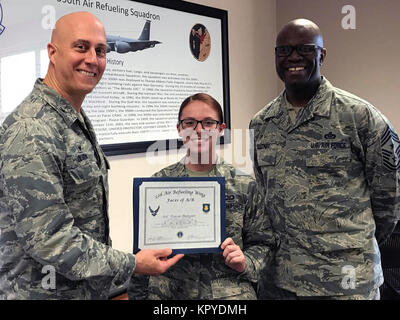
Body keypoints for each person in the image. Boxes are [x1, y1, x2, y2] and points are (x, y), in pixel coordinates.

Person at [0, 11, 182, 300]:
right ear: (52, 52)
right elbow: (50, 240)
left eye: (101, 50)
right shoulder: (32, 129)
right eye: (81, 47)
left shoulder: (72, 118)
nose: (93, 60)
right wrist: (133, 263)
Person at [249, 18, 399, 299]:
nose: (293, 57)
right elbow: (263, 192)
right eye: (283, 50)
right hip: (280, 280)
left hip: (345, 280)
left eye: (304, 48)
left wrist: (354, 242)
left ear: (322, 54)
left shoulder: (359, 117)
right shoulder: (261, 123)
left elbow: (389, 199)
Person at [129, 93, 274, 300]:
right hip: (170, 295)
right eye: (190, 122)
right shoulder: (156, 186)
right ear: (179, 128)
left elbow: (264, 243)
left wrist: (245, 261)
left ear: (220, 129)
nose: (198, 130)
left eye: (208, 123)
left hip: (229, 296)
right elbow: (143, 253)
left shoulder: (244, 185)